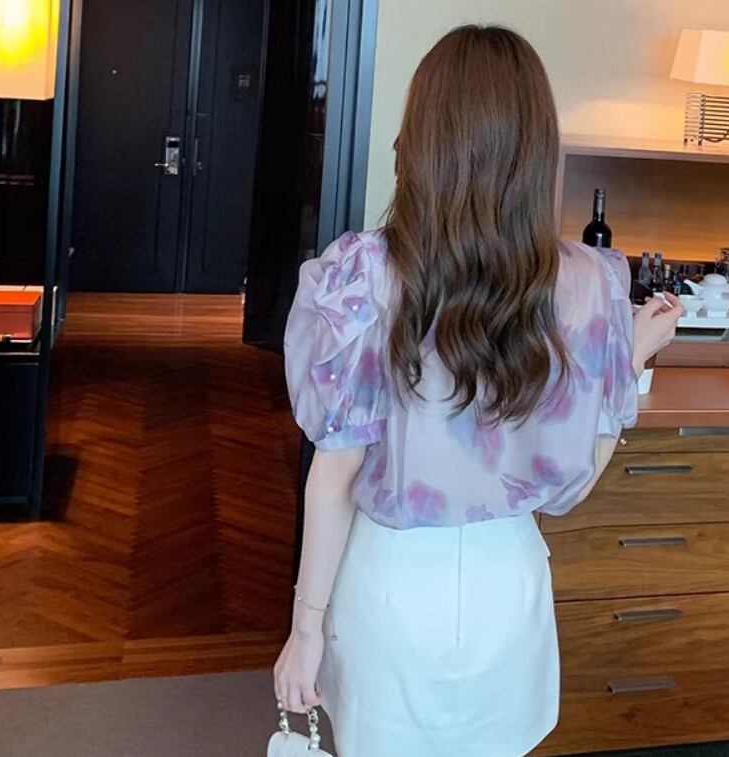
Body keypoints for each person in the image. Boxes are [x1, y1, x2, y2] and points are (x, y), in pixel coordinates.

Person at [274, 23, 683, 757]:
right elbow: (573, 486)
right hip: (508, 587)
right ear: (536, 148)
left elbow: (333, 475)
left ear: (423, 138)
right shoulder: (589, 286)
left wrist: (305, 628)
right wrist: (630, 355)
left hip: (391, 589)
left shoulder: (363, 277)